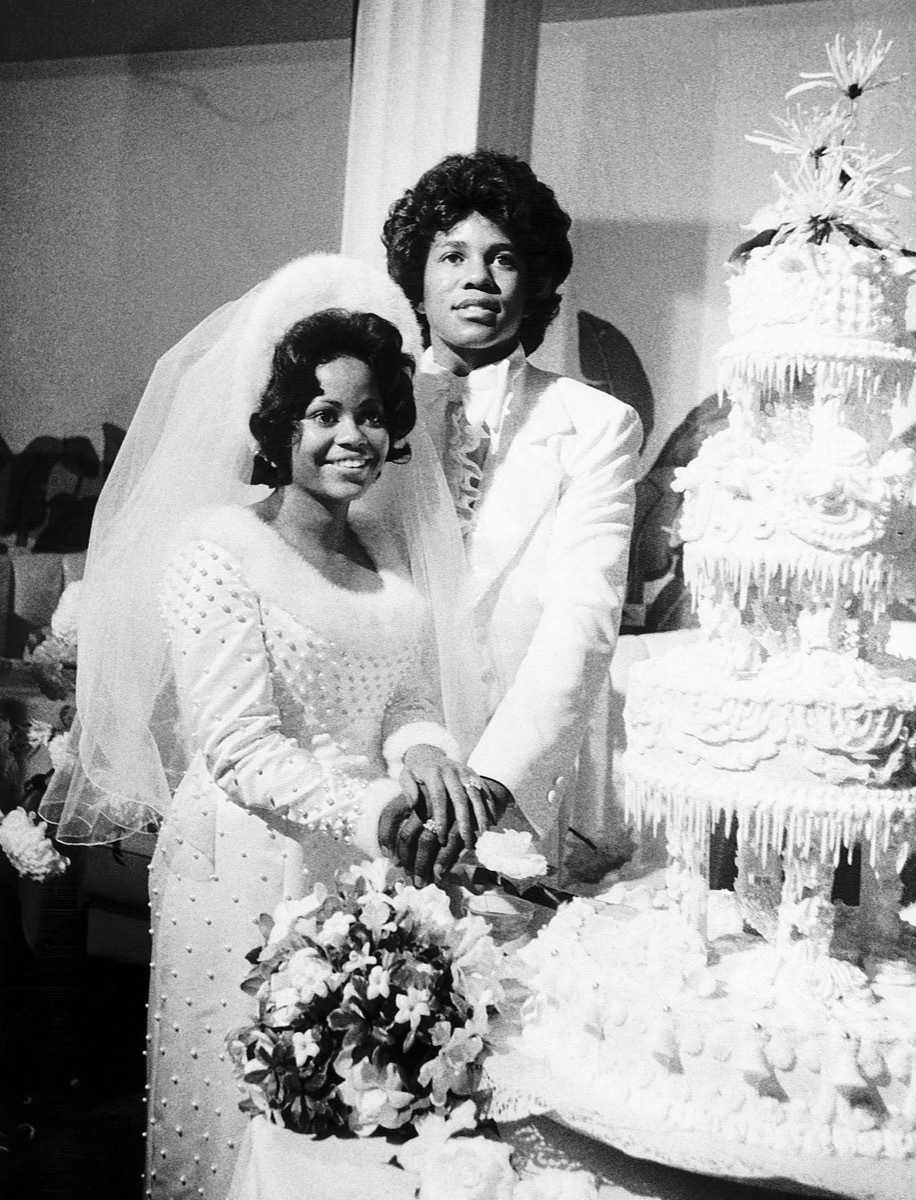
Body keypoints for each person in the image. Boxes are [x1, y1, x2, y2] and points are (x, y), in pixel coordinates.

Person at [39, 255, 491, 1200]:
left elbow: (403, 693)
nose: (352, 436)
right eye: (324, 414)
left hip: (367, 871)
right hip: (244, 866)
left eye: (370, 414)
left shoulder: (389, 555)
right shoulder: (218, 546)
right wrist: (381, 815)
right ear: (278, 421)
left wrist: (426, 754)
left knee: (343, 1133)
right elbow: (239, 749)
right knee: (236, 1122)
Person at [382, 150, 642, 879]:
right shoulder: (364, 413)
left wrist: (492, 781)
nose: (476, 277)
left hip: (507, 781)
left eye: (503, 258)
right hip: (369, 754)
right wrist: (405, 753)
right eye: (452, 255)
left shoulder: (597, 424)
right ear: (418, 279)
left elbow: (583, 618)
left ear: (534, 283)